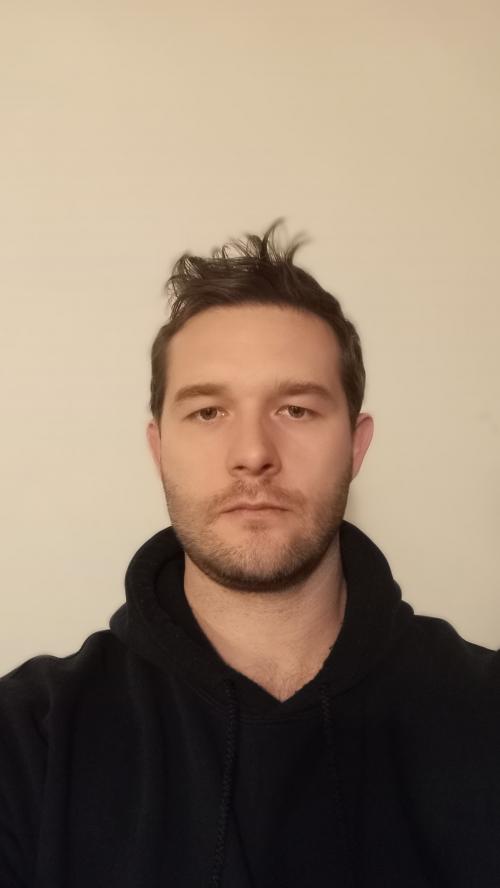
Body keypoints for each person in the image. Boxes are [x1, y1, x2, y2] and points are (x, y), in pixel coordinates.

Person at [1, 220, 499, 888]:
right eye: (208, 412)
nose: (254, 453)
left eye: (296, 409)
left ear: (356, 446)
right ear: (159, 450)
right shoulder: (28, 739)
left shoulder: (484, 714)